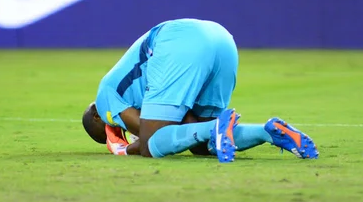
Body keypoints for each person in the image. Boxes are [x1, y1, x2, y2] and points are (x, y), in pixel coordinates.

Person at [82, 19, 319, 162]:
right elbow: (187, 124)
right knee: (202, 145)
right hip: (221, 40)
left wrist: (124, 149)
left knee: (151, 145)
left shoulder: (104, 100)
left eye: (110, 130)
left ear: (96, 116)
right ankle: (268, 132)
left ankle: (218, 127)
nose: (120, 129)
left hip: (178, 42)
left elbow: (146, 139)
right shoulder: (135, 92)